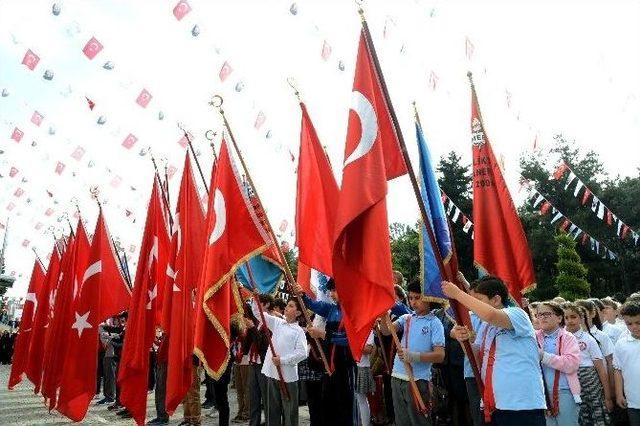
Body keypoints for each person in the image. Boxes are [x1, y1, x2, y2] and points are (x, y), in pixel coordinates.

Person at [444, 276, 547, 426]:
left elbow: (491, 315)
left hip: (522, 404)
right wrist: (463, 340)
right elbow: (476, 358)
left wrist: (458, 294)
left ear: (496, 300)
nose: (472, 306)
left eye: (478, 299)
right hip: (494, 404)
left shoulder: (518, 314)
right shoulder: (485, 327)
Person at [380, 279, 445, 426]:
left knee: (419, 420)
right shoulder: (406, 318)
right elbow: (385, 331)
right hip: (397, 376)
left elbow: (440, 355)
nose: (413, 302)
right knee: (402, 421)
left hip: (418, 380)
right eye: (410, 298)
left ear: (428, 298)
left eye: (417, 298)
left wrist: (413, 356)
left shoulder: (434, 323)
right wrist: (384, 315)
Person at [299, 279, 356, 425]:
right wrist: (301, 293)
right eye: (330, 291)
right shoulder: (331, 309)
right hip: (328, 366)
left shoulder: (352, 312)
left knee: (345, 406)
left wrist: (322, 334)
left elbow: (348, 340)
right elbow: (312, 304)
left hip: (345, 367)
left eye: (334, 290)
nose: (331, 294)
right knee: (328, 405)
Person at [251, 294, 308, 426]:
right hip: (273, 373)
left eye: (291, 306)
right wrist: (256, 298)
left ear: (298, 312)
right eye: (287, 305)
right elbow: (258, 314)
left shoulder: (298, 331)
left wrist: (282, 360)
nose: (287, 308)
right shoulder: (277, 323)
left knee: (290, 413)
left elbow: (302, 353)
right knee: (272, 411)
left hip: (287, 377)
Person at [563, 303, 612, 425]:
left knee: (596, 415)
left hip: (590, 383)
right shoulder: (560, 339)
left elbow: (601, 369)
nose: (570, 321)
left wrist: (607, 397)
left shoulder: (588, 339)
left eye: (573, 317)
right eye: (566, 317)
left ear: (581, 318)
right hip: (569, 382)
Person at [535, 301, 581, 425]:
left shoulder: (568, 337)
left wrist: (543, 356)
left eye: (547, 314)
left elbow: (571, 364)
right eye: (539, 314)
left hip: (564, 391)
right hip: (540, 393)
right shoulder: (532, 337)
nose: (542, 317)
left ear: (559, 318)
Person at [613, 301, 640, 426]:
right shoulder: (621, 343)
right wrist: (619, 394)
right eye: (629, 324)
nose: (634, 327)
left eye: (638, 322)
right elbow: (618, 370)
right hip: (633, 400)